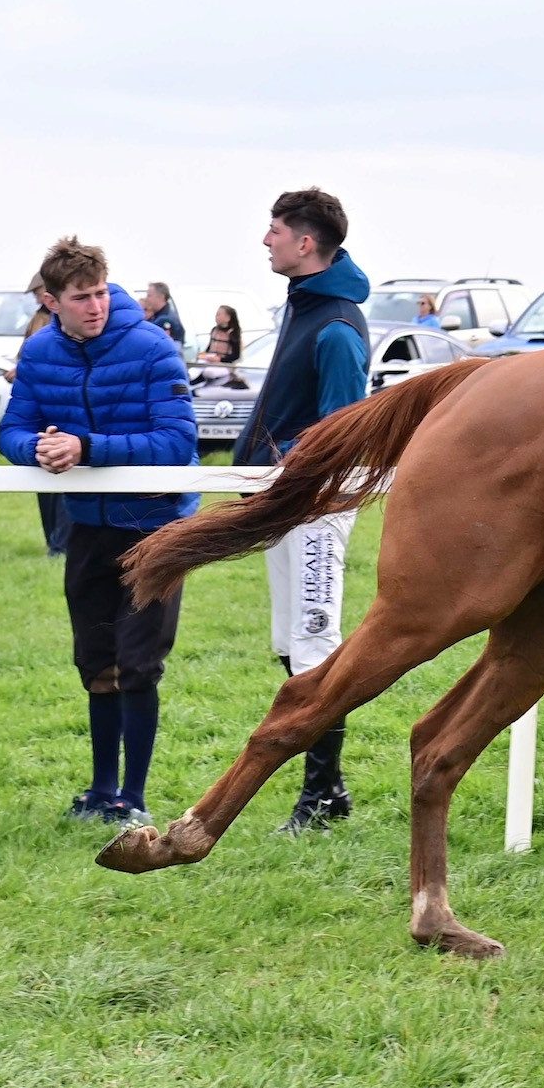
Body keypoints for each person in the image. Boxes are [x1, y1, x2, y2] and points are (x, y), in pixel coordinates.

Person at [0, 237, 198, 827]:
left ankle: (133, 798)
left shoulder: (153, 348)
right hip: (87, 525)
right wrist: (37, 449)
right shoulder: (38, 354)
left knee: (139, 663)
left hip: (155, 526)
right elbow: (12, 429)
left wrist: (87, 448)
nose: (95, 306)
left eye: (99, 293)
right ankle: (100, 789)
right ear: (51, 300)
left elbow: (178, 442)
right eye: (80, 297)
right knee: (95, 661)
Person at [234, 187, 370, 833]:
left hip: (316, 507)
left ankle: (321, 796)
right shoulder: (304, 308)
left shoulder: (337, 325)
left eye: (275, 230)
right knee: (292, 641)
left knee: (314, 639)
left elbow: (340, 434)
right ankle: (330, 787)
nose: (267, 240)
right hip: (286, 503)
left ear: (306, 242)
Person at [14, 273, 71, 557]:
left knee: (64, 487)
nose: (36, 298)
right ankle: (53, 541)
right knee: (45, 487)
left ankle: (60, 544)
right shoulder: (38, 320)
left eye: (38, 292)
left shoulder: (58, 322)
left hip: (63, 414)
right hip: (40, 418)